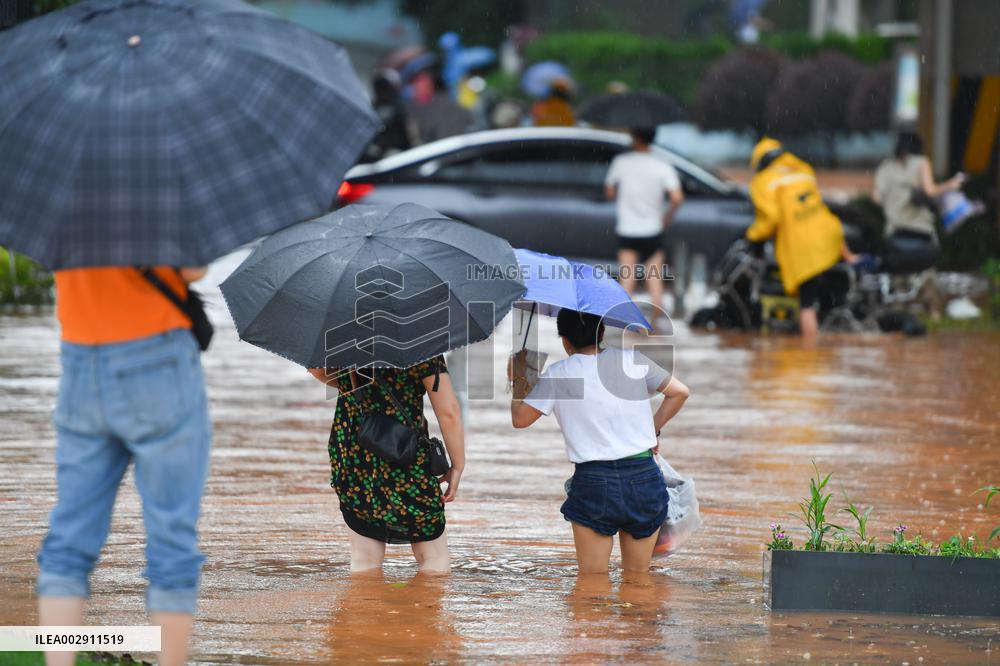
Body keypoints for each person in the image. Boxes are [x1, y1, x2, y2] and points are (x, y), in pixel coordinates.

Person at [38, 266, 211, 666]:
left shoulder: (65, 202)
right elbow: (193, 269)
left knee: (68, 539)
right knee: (171, 535)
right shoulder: (161, 199)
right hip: (157, 354)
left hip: (81, 355)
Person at [509, 310, 690, 574]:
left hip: (593, 482)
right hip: (643, 477)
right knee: (638, 579)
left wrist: (518, 377)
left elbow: (520, 419)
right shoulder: (634, 361)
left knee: (592, 584)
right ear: (602, 333)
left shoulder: (558, 374)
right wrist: (652, 430)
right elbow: (679, 393)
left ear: (565, 341)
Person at [308, 357, 465, 572]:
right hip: (404, 454)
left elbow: (319, 370)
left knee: (364, 559)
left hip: (354, 452)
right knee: (433, 558)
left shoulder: (343, 335)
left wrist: (351, 379)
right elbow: (449, 412)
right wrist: (457, 465)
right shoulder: (422, 340)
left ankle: (369, 605)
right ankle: (425, 605)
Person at [745, 137, 857, 340]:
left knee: (807, 304)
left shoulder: (763, 181)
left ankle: (808, 355)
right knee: (827, 296)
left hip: (804, 248)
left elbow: (770, 219)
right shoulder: (803, 170)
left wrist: (752, 238)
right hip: (831, 238)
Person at [873, 132, 964, 320]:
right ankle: (933, 311)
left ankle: (899, 308)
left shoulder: (886, 167)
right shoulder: (921, 162)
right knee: (926, 270)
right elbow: (931, 191)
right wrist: (951, 185)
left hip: (894, 230)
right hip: (920, 230)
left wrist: (894, 202)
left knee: (898, 271)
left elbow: (876, 197)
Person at [605, 127, 684, 316]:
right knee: (655, 282)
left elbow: (609, 192)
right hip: (652, 230)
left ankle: (625, 326)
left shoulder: (621, 163)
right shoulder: (662, 165)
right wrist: (667, 216)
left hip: (627, 229)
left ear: (635, 138)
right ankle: (655, 330)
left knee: (627, 280)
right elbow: (677, 198)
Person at [408, 70, 474, 145]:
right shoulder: (410, 112)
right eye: (418, 81)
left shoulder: (448, 104)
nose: (424, 84)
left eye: (426, 80)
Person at [361, 70, 411, 163]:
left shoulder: (400, 110)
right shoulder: (371, 108)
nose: (382, 91)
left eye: (385, 88)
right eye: (380, 88)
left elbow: (405, 139)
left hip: (394, 155)